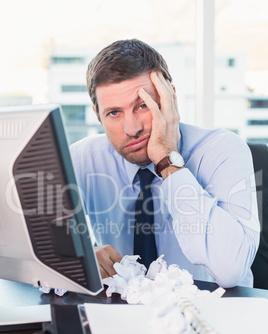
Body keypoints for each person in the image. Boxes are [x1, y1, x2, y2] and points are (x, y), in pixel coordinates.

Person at [70, 39, 260, 288]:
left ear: (170, 97)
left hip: (215, 313)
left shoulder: (224, 151)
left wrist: (168, 160)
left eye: (143, 105)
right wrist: (78, 261)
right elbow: (36, 249)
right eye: (114, 113)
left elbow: (230, 272)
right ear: (98, 115)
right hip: (125, 315)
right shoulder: (84, 159)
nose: (132, 128)